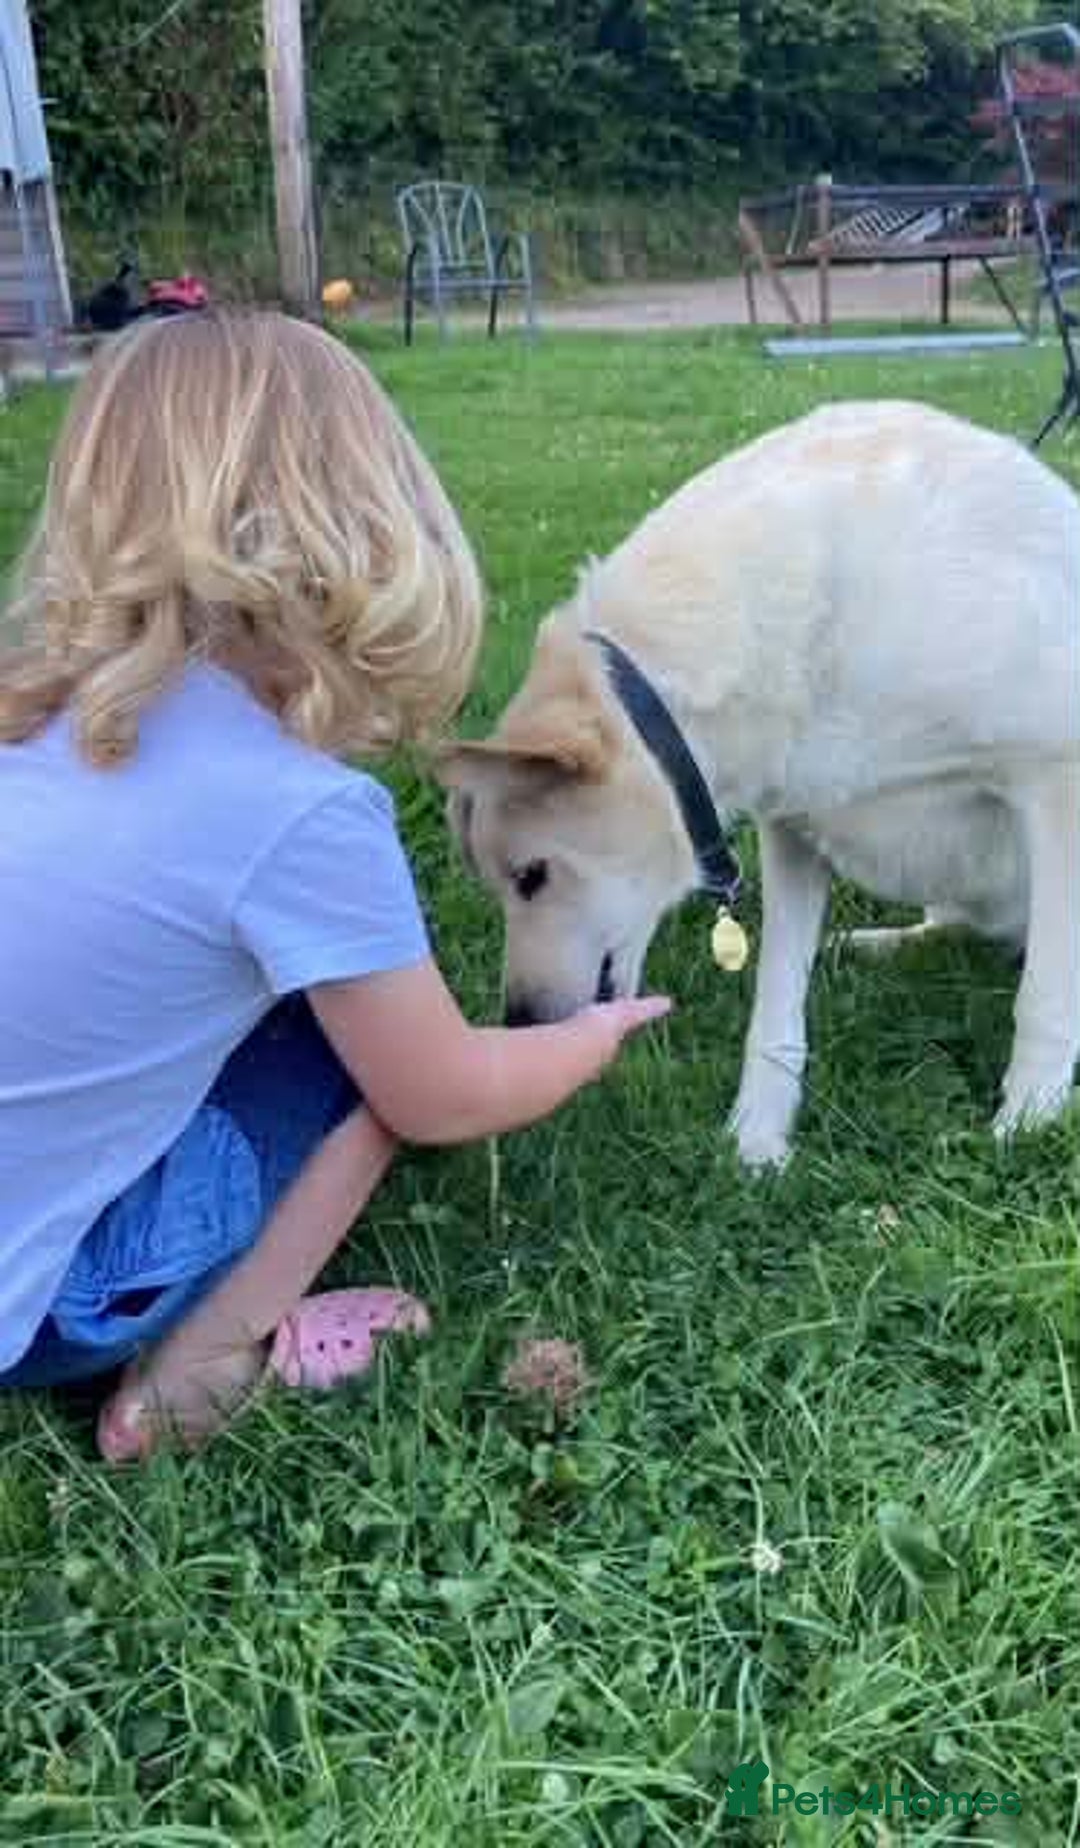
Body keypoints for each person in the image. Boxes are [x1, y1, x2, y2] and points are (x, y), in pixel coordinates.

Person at [0, 311, 668, 1461]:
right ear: (362, 526)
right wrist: (591, 1034)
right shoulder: (298, 811)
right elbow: (443, 1095)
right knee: (355, 1056)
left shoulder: (28, 721)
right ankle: (200, 1366)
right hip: (48, 1308)